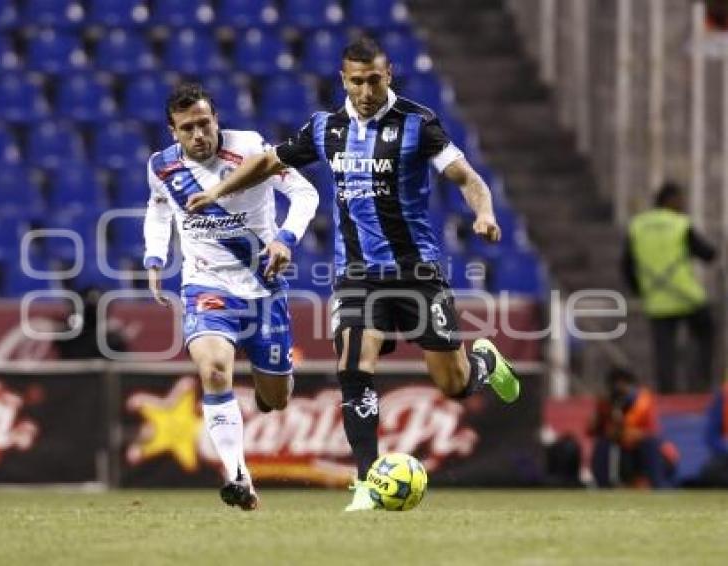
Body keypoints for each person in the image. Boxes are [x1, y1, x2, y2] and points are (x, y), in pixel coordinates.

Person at [186, 37, 521, 511]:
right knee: (351, 366)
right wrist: (220, 189)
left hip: (416, 270)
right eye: (357, 81)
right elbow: (269, 162)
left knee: (452, 384)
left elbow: (467, 177)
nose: (366, 90)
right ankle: (366, 482)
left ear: (390, 76)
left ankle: (484, 365)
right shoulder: (327, 129)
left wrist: (483, 213)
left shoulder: (418, 123)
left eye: (375, 80)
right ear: (344, 80)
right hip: (357, 273)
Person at [144, 83, 319, 510]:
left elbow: (305, 192)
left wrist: (285, 238)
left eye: (205, 123)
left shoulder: (252, 149)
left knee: (277, 399)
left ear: (217, 119)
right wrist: (154, 258)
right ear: (173, 132)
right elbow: (159, 205)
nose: (199, 134)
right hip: (206, 285)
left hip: (263, 287)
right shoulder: (161, 167)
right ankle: (238, 476)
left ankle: (267, 386)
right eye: (188, 128)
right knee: (215, 370)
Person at [622, 182, 717, 393]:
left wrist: (640, 290)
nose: (683, 204)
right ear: (670, 200)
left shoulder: (637, 225)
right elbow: (707, 254)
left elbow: (627, 266)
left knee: (664, 351)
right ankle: (700, 381)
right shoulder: (679, 223)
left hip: (656, 300)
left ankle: (668, 393)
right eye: (680, 199)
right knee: (706, 332)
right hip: (686, 296)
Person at [589, 367, 677, 488]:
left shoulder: (643, 401)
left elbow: (652, 432)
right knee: (603, 445)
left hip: (641, 451)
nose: (619, 387)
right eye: (616, 382)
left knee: (650, 444)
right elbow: (593, 431)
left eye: (623, 383)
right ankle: (603, 485)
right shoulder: (605, 403)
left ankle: (658, 485)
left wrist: (628, 432)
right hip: (620, 453)